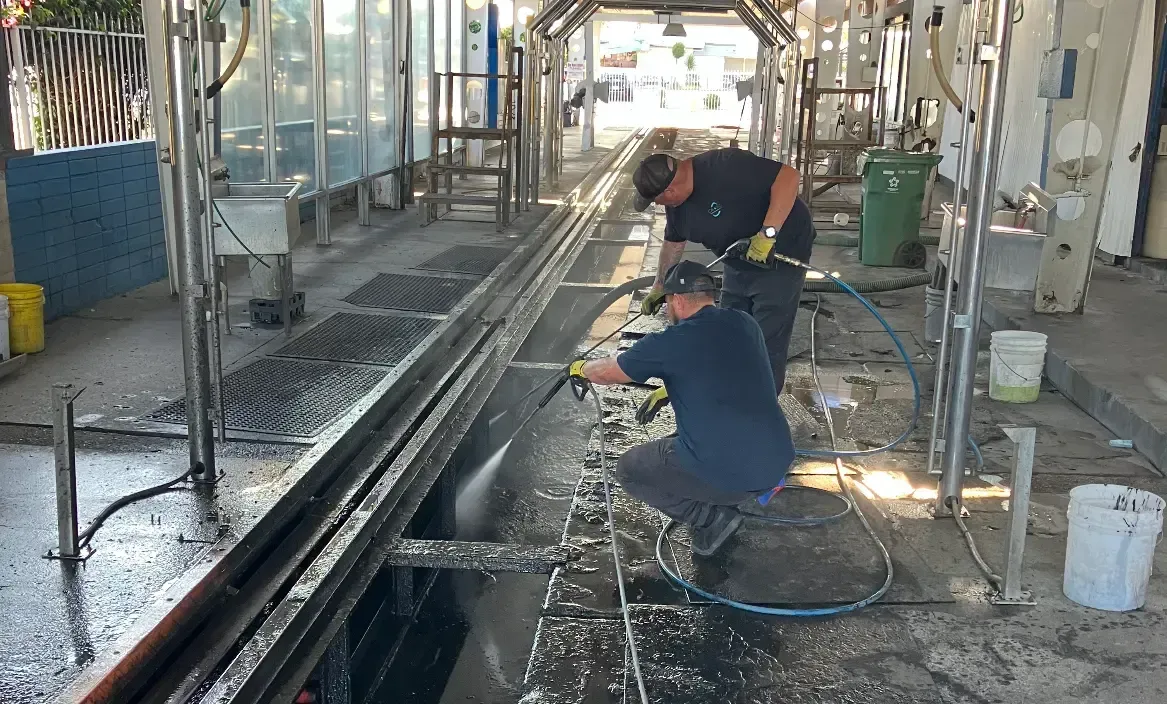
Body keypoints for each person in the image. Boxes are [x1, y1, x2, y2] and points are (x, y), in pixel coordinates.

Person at [568, 261, 795, 556]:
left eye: (666, 303)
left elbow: (610, 372)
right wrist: (670, 389)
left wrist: (582, 368)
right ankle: (734, 488)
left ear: (676, 299)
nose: (666, 309)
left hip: (737, 476)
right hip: (777, 462)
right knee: (694, 438)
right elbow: (730, 367)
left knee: (630, 469)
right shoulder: (744, 323)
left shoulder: (671, 341)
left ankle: (711, 518)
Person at [632, 148, 815, 392]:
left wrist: (767, 234)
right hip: (737, 260)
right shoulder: (676, 206)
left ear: (670, 191)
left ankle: (761, 404)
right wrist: (660, 285)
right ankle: (727, 397)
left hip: (780, 256)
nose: (657, 205)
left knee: (765, 338)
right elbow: (673, 242)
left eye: (656, 200)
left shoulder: (725, 166)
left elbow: (789, 177)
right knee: (728, 330)